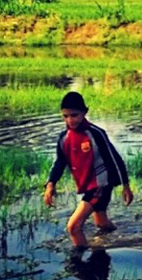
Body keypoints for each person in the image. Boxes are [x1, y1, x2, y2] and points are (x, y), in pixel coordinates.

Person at [44, 91, 133, 248]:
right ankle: (127, 240)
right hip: (88, 185)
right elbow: (60, 162)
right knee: (102, 224)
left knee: (73, 227)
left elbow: (114, 159)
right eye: (65, 116)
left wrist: (125, 185)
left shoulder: (95, 134)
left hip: (101, 185)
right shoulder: (64, 138)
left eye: (74, 115)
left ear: (84, 112)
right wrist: (51, 184)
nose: (70, 120)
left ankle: (80, 262)